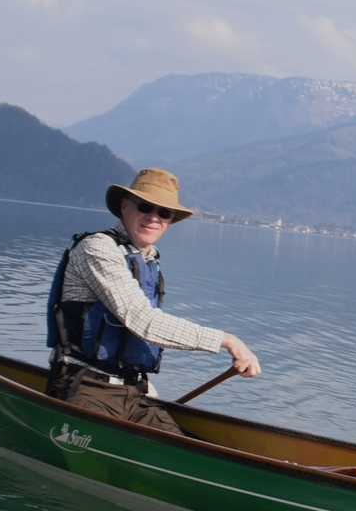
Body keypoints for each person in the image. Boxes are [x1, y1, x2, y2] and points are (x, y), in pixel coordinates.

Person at [45, 168, 259, 434]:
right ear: (124, 207)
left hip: (134, 393)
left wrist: (150, 395)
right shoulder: (97, 248)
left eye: (164, 213)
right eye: (145, 207)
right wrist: (227, 340)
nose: (154, 218)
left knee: (185, 449)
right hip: (87, 387)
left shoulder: (149, 260)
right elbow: (143, 321)